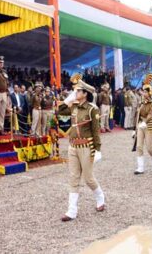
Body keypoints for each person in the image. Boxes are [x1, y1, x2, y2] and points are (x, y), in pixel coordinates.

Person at [58, 79, 105, 222]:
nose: (75, 93)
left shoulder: (92, 109)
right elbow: (60, 111)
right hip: (73, 146)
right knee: (74, 178)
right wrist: (69, 98)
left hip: (86, 146)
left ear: (85, 93)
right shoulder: (74, 106)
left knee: (88, 178)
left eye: (78, 91)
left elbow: (95, 131)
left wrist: (97, 149)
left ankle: (100, 198)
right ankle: (72, 210)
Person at [133, 74, 152, 175]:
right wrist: (134, 129)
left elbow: (151, 114)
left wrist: (144, 122)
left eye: (145, 91)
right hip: (140, 125)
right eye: (143, 91)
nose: (143, 93)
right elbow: (137, 114)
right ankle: (140, 167)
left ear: (149, 92)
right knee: (139, 146)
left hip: (148, 125)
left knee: (149, 148)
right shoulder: (141, 102)